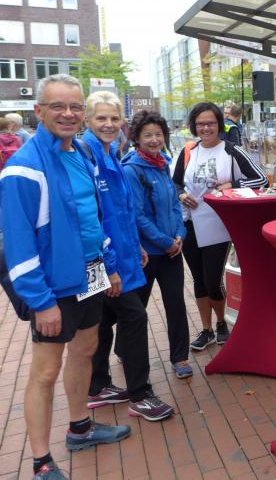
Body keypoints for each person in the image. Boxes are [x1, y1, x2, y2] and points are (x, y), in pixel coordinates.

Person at [0, 74, 130, 480]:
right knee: (45, 371)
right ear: (38, 111)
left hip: (90, 273)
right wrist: (41, 302)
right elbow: (18, 244)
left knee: (85, 350)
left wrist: (108, 265)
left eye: (75, 106)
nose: (68, 114)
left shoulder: (83, 153)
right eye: (58, 106)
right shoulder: (23, 167)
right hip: (54, 285)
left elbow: (92, 218)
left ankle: (80, 428)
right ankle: (41, 462)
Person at [82, 92, 175, 421]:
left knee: (101, 320)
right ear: (87, 121)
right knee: (134, 317)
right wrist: (109, 269)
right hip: (100, 260)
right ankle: (140, 394)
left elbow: (121, 211)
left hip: (116, 255)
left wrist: (136, 247)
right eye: (100, 118)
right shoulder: (87, 157)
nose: (108, 124)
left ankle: (97, 385)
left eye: (113, 118)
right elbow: (90, 218)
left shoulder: (110, 153)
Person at [173, 102, 266, 351]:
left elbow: (261, 178)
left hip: (218, 224)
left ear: (219, 125)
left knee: (213, 279)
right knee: (199, 280)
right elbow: (175, 183)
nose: (206, 128)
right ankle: (207, 330)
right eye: (201, 124)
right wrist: (181, 194)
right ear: (194, 126)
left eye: (211, 123)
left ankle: (221, 322)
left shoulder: (231, 150)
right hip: (189, 223)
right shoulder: (188, 151)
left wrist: (232, 184)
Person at [122, 110, 194, 379]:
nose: (154, 140)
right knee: (136, 308)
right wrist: (165, 242)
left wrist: (180, 235)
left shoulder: (163, 164)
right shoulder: (131, 170)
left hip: (173, 251)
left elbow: (174, 204)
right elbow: (137, 215)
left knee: (176, 304)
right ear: (137, 139)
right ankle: (123, 347)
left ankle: (180, 356)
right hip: (147, 254)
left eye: (159, 134)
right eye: (148, 135)